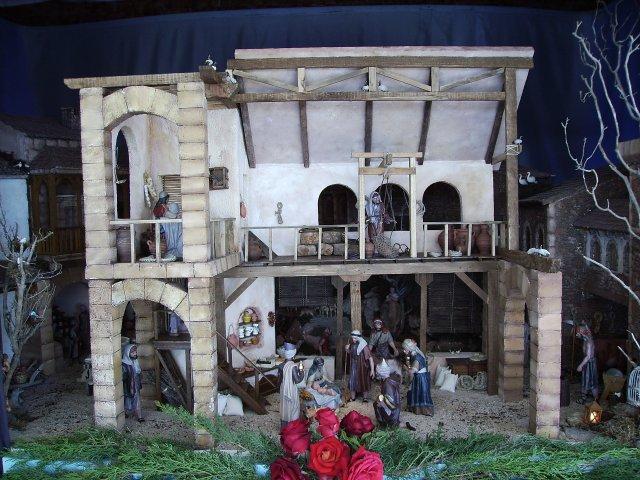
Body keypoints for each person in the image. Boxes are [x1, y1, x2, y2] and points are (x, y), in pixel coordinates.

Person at [402, 338, 434, 416]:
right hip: (419, 377)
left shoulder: (417, 358)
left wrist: (405, 367)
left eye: (405, 349)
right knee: (412, 392)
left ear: (409, 348)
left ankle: (423, 410)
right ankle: (414, 408)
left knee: (419, 393)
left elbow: (411, 371)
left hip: (421, 378)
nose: (404, 351)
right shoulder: (413, 355)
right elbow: (410, 366)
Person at [279, 343, 305, 427]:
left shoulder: (281, 365)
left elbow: (279, 379)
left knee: (284, 406)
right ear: (293, 354)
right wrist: (301, 371)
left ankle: (284, 425)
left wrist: (279, 389)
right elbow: (297, 380)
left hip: (283, 388)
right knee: (293, 406)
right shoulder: (293, 366)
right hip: (291, 389)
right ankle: (292, 426)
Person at [345, 330, 375, 402]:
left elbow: (370, 358)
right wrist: (347, 349)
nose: (353, 339)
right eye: (352, 338)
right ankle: (353, 398)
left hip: (363, 367)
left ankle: (365, 398)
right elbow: (350, 353)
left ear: (359, 338)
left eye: (355, 338)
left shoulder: (364, 346)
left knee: (364, 381)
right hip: (354, 366)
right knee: (352, 381)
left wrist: (372, 370)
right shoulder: (352, 344)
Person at [373, 359, 401, 428]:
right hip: (393, 406)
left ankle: (385, 423)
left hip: (392, 411)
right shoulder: (387, 380)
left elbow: (391, 403)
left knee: (376, 404)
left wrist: (381, 403)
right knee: (377, 401)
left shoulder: (387, 384)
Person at [576, 323, 599, 404]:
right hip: (588, 363)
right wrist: (585, 324)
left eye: (579, 330)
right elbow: (588, 332)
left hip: (590, 363)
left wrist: (580, 365)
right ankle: (584, 398)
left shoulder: (588, 341)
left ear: (583, 331)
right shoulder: (587, 337)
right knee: (585, 381)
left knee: (591, 383)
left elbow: (588, 356)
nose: (577, 332)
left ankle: (596, 401)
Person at [122, 344, 144, 422]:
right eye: (133, 352)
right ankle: (125, 412)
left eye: (135, 352)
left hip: (135, 385)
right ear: (127, 353)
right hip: (127, 385)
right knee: (126, 400)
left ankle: (139, 416)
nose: (135, 354)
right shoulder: (124, 364)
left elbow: (138, 372)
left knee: (137, 400)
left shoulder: (135, 362)